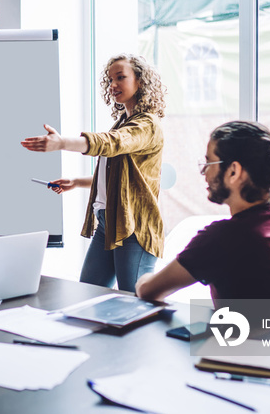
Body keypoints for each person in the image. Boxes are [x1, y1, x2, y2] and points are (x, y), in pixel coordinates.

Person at [21, 53, 166, 292]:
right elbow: (122, 180)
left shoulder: (147, 125)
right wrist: (77, 182)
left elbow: (111, 143)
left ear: (140, 81)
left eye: (121, 77)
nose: (113, 85)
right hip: (107, 224)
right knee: (88, 294)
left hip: (134, 229)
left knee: (135, 303)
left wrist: (61, 143)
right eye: (110, 80)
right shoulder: (124, 121)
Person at [135, 121, 270, 305]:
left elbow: (148, 291)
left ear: (233, 171)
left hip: (244, 333)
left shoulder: (226, 237)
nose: (204, 172)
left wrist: (143, 276)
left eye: (209, 162)